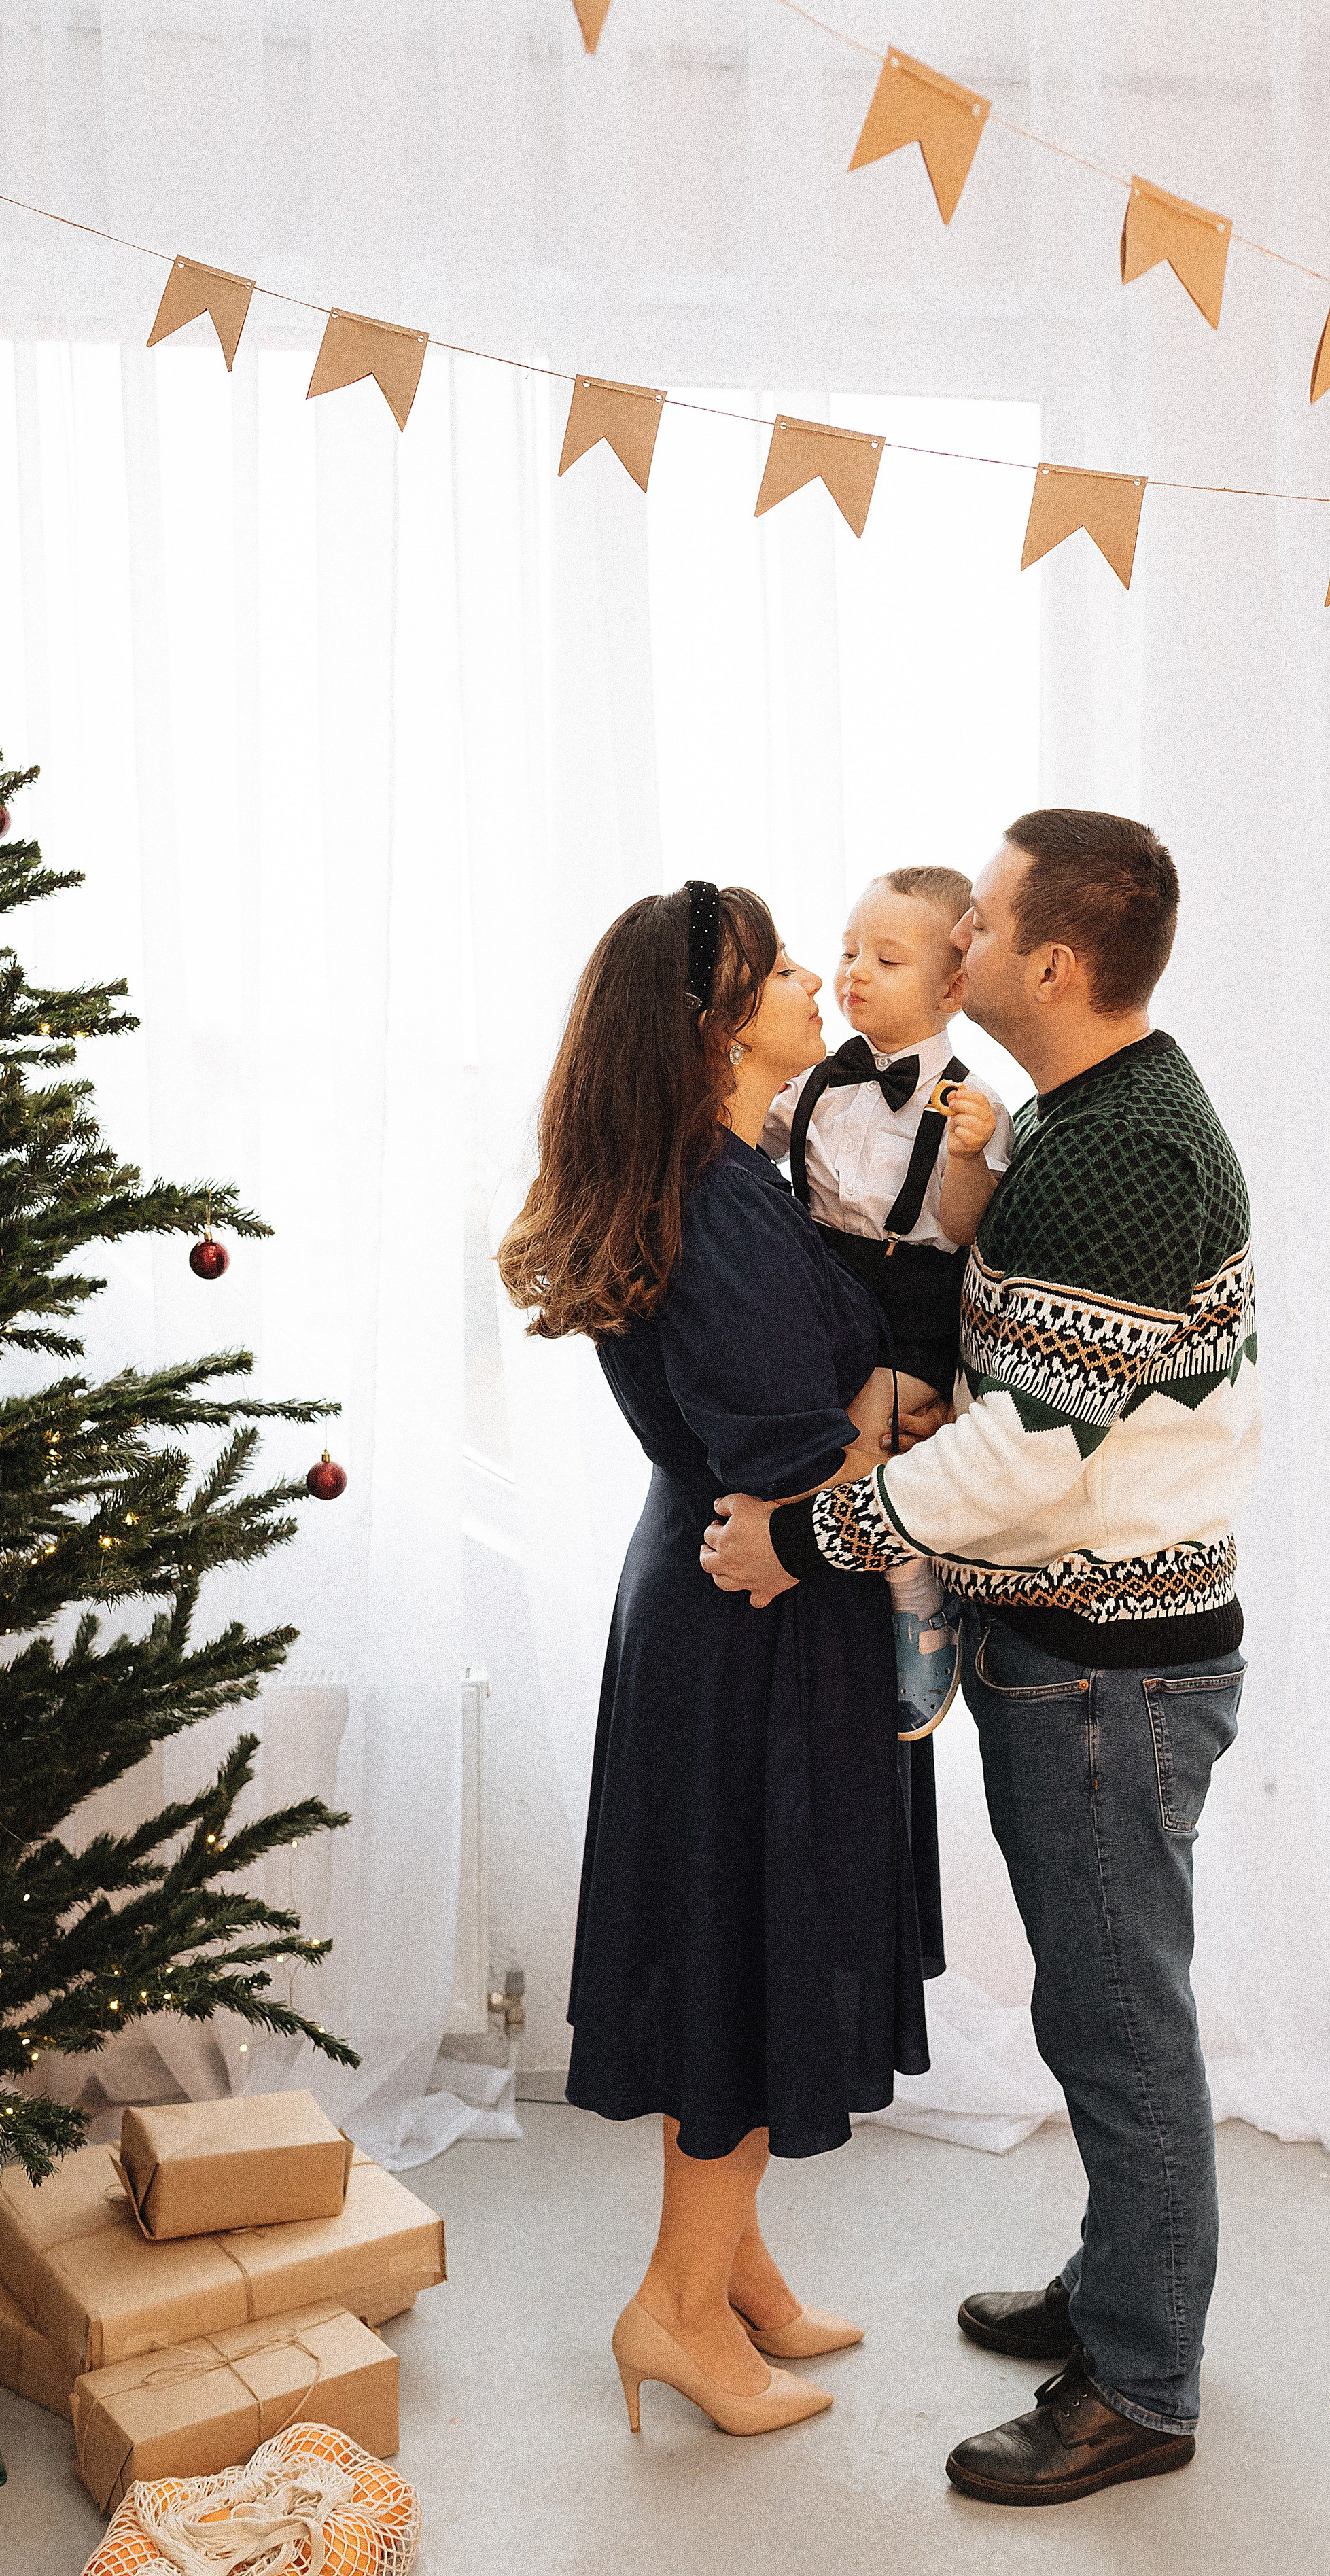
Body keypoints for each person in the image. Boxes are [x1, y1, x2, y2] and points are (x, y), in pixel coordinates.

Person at [703, 809, 1261, 2505]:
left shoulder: (1119, 1150)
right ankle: (1116, 2293)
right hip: (1072, 1639)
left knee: (1116, 2013)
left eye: (983, 919)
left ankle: (1141, 2383)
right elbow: (1003, 1358)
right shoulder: (1071, 1124)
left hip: (1112, 1659)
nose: (954, 946)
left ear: (1049, 961)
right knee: (1102, 1993)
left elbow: (1026, 1453)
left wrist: (804, 1534)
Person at [499, 879, 942, 2439]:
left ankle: (733, 2263)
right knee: (752, 1953)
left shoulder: (733, 1169)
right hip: (754, 1617)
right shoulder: (726, 1193)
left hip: (717, 1603)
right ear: (710, 1023)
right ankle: (675, 2308)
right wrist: (907, 1419)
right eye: (772, 969)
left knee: (734, 1938)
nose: (815, 977)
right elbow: (792, 1450)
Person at [760, 866, 1013, 1737]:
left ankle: (918, 1594)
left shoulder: (971, 1104)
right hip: (824, 1286)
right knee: (810, 1437)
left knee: (870, 1435)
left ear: (952, 985)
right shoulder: (817, 1085)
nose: (853, 972)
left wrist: (974, 1156)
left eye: (886, 959)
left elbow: (964, 1223)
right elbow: (744, 1123)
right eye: (847, 951)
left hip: (911, 1298)